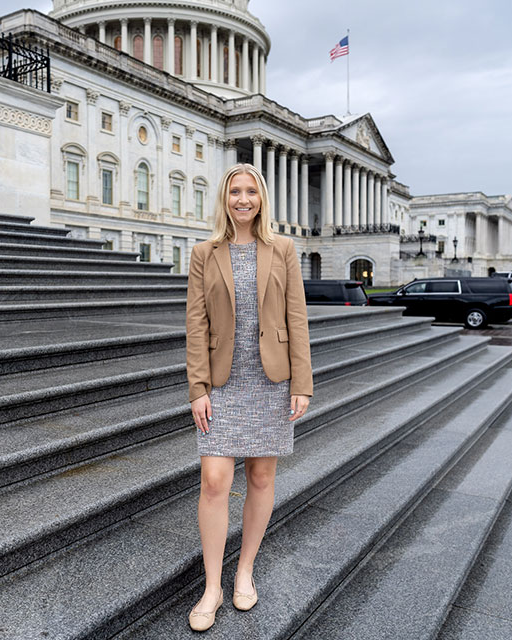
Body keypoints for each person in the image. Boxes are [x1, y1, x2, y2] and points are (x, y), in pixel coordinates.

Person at [184, 163, 313, 631]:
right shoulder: (204, 253)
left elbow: (296, 317)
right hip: (222, 383)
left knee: (261, 477)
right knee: (215, 480)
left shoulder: (283, 250)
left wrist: (302, 381)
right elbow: (196, 325)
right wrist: (197, 388)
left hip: (270, 381)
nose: (243, 199)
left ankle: (245, 572)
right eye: (235, 192)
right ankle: (212, 587)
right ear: (224, 199)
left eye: (250, 192)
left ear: (261, 199)